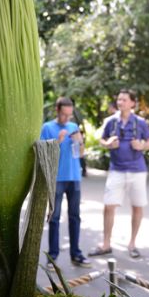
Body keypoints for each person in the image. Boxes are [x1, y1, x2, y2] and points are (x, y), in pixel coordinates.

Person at [89, 89, 149, 260]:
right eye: (119, 99)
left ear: (133, 103)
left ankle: (132, 244)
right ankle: (106, 244)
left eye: (124, 100)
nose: (120, 102)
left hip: (137, 171)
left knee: (137, 207)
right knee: (109, 206)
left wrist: (142, 146)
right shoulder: (110, 121)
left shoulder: (140, 122)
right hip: (116, 170)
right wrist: (108, 143)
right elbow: (101, 140)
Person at [41, 97, 92, 268]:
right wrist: (58, 142)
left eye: (69, 116)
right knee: (54, 218)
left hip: (74, 177)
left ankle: (76, 254)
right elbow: (42, 154)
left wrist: (80, 142)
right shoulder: (47, 127)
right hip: (56, 178)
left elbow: (81, 154)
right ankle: (53, 256)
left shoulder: (73, 127)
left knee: (75, 217)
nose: (66, 119)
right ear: (57, 110)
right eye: (64, 115)